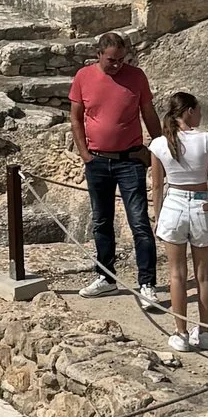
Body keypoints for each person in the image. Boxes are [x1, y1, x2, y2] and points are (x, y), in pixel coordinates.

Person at [69, 29, 164, 310]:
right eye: (111, 60)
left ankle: (147, 284)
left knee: (139, 223)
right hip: (97, 160)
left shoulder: (136, 77)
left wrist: (157, 151)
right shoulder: (83, 77)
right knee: (101, 221)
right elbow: (75, 117)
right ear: (99, 55)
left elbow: (148, 114)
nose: (117, 65)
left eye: (121, 59)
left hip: (130, 160)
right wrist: (85, 154)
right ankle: (106, 276)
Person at [147, 88, 208, 351]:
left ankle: (180, 333)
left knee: (176, 275)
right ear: (189, 112)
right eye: (199, 111)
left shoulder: (160, 143)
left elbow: (157, 186)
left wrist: (158, 217)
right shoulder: (206, 139)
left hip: (174, 204)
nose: (201, 115)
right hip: (201, 205)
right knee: (204, 275)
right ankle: (203, 333)